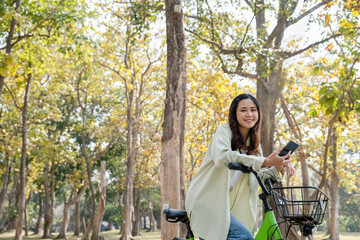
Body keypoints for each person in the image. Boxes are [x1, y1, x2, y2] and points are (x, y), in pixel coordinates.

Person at [185, 93, 295, 240]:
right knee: (244, 237)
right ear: (234, 114)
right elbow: (223, 157)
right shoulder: (224, 131)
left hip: (228, 208)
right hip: (208, 202)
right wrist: (265, 161)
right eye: (243, 110)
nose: (249, 114)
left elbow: (257, 177)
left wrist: (278, 166)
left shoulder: (254, 145)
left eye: (253, 110)